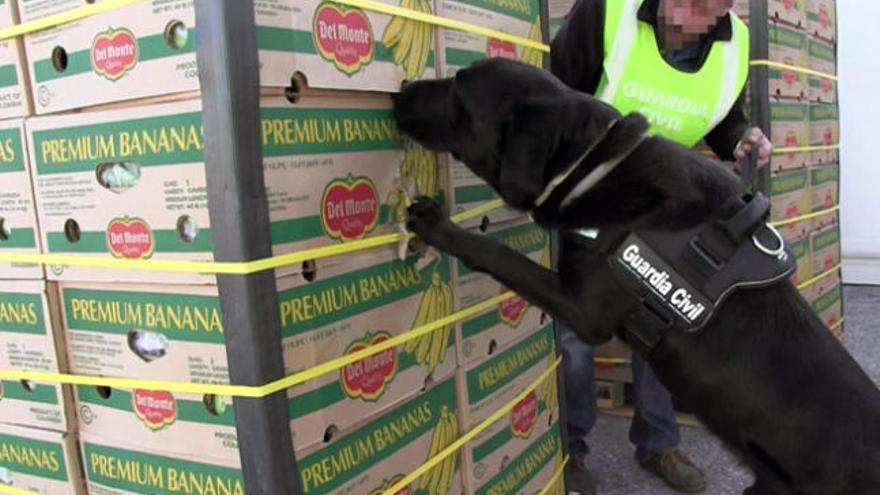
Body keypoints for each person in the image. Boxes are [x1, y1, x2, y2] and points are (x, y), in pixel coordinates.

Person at [549, 0, 772, 493]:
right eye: (685, 3)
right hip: (589, 197)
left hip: (662, 204)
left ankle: (659, 444)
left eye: (708, 10)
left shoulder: (731, 43)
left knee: (659, 329)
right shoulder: (607, 12)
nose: (690, 18)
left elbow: (722, 116)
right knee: (577, 335)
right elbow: (555, 91)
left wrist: (738, 137)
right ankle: (571, 449)